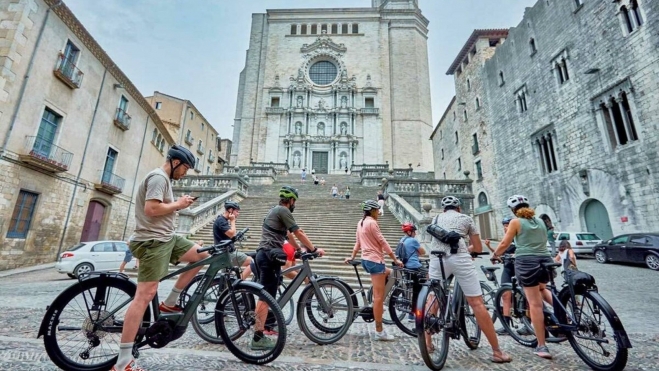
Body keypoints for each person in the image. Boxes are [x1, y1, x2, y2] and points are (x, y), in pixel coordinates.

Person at [112, 145, 205, 371]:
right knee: (144, 295)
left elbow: (162, 209)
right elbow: (152, 210)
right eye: (185, 168)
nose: (185, 173)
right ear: (175, 162)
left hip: (168, 238)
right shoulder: (158, 178)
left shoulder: (165, 180)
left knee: (202, 256)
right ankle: (123, 361)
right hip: (152, 242)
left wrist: (177, 204)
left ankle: (170, 303)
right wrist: (179, 204)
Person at [428, 196, 512, 363]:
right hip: (459, 258)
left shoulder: (435, 218)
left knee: (433, 298)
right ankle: (497, 352)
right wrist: (469, 249)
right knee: (476, 303)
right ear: (459, 207)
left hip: (436, 259)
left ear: (443, 209)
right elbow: (478, 247)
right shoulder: (466, 219)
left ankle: (428, 343)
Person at [253, 186, 325, 350]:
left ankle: (267, 323)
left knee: (269, 293)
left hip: (267, 255)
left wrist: (299, 251)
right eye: (294, 202)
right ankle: (257, 337)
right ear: (291, 200)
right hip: (268, 255)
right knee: (265, 297)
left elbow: (289, 235)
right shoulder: (283, 211)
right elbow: (298, 232)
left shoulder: (276, 211)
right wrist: (314, 249)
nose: (294, 205)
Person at [493, 195, 553, 360]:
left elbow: (505, 243)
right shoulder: (540, 221)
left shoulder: (515, 222)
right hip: (546, 260)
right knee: (542, 289)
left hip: (527, 262)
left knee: (534, 303)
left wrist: (494, 254)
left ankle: (542, 345)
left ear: (513, 210)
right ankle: (564, 316)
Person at [345, 200, 402, 341]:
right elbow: (383, 242)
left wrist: (352, 256)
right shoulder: (372, 223)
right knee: (378, 298)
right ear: (372, 211)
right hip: (375, 261)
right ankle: (379, 331)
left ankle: (377, 301)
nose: (379, 213)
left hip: (366, 260)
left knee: (391, 273)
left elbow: (358, 242)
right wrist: (395, 259)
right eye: (377, 210)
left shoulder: (361, 222)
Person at [484, 218, 532, 336]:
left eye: (508, 225)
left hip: (519, 268)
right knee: (505, 295)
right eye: (504, 225)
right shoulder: (504, 240)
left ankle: (528, 324)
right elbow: (500, 254)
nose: (506, 228)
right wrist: (491, 249)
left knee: (527, 296)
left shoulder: (518, 238)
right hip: (508, 268)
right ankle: (506, 324)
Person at [212, 201, 252, 280]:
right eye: (237, 211)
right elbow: (231, 234)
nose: (238, 213)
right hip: (226, 253)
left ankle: (228, 287)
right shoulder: (221, 221)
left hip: (225, 252)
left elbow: (229, 236)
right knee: (252, 262)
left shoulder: (223, 220)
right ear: (230, 210)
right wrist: (232, 221)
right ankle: (238, 283)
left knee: (227, 277)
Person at [398, 223, 426, 322]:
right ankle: (413, 313)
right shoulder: (413, 240)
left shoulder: (401, 240)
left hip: (406, 267)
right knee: (419, 289)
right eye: (414, 231)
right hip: (414, 267)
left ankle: (413, 311)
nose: (415, 233)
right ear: (409, 232)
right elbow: (423, 252)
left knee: (413, 289)